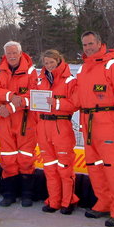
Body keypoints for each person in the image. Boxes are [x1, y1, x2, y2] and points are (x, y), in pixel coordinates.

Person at [64, 31, 114, 227]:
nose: (88, 48)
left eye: (91, 44)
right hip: (88, 124)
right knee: (94, 166)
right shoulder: (84, 68)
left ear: (100, 43)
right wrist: (55, 106)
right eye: (85, 45)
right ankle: (103, 202)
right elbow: (76, 99)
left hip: (109, 123)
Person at [0, 41, 38, 207]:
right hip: (4, 120)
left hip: (25, 120)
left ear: (20, 53)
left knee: (25, 157)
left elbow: (34, 96)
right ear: (5, 54)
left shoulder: (31, 72)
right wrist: (7, 99)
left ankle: (27, 194)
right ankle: (9, 193)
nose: (11, 56)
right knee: (8, 157)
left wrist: (9, 107)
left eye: (14, 53)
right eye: (8, 53)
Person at [36, 50, 80, 215]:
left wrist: (57, 103)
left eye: (51, 62)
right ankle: (53, 201)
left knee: (64, 167)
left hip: (61, 127)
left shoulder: (70, 81)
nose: (48, 66)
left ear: (59, 60)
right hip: (43, 127)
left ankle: (67, 202)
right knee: (50, 167)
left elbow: (75, 104)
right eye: (46, 63)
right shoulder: (40, 80)